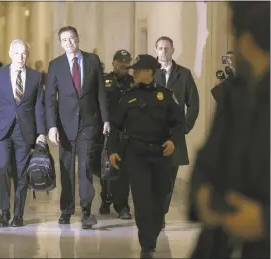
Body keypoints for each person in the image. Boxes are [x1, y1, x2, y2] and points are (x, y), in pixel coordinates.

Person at [188, 2, 270, 258]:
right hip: (219, 244)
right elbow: (207, 159)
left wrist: (265, 222)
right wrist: (201, 197)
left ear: (245, 41)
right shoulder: (234, 93)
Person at [109, 54, 182, 258]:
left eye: (138, 70)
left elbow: (178, 123)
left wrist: (174, 142)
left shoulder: (166, 96)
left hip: (160, 155)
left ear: (150, 71)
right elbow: (115, 126)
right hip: (136, 155)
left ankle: (152, 234)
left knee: (159, 201)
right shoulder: (128, 97)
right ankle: (146, 245)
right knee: (141, 201)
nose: (134, 73)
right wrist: (113, 150)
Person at [45, 26, 109, 229]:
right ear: (61, 44)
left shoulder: (92, 61)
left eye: (72, 38)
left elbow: (100, 92)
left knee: (86, 168)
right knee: (66, 169)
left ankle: (87, 212)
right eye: (65, 40)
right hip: (64, 125)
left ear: (78, 39)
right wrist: (51, 126)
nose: (69, 43)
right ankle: (66, 210)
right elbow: (49, 99)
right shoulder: (55, 65)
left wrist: (106, 119)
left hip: (89, 123)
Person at [0, 39, 46, 228]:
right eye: (17, 53)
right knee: (3, 167)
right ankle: (4, 211)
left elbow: (39, 106)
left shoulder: (35, 76)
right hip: (2, 130)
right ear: (10, 53)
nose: (21, 57)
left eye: (24, 53)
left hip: (24, 130)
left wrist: (41, 132)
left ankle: (18, 214)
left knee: (22, 173)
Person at [153, 36, 199, 227]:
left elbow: (194, 104)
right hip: (152, 134)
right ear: (156, 50)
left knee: (170, 177)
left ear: (173, 50)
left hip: (174, 134)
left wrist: (185, 127)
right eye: (161, 48)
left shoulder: (184, 74)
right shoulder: (149, 73)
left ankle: (161, 213)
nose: (163, 51)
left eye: (167, 48)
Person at [99, 49, 133, 220]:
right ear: (113, 63)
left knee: (122, 170)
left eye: (126, 62)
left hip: (126, 132)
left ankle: (122, 206)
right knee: (105, 168)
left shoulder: (133, 83)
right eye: (120, 61)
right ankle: (105, 198)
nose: (123, 65)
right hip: (107, 130)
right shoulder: (105, 81)